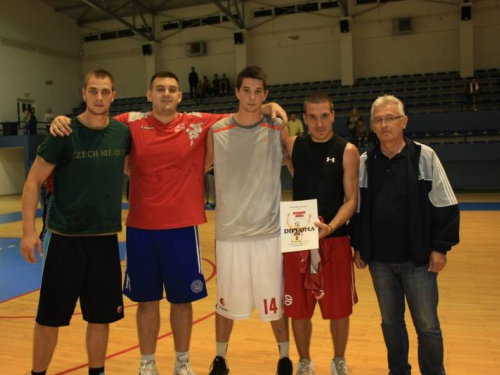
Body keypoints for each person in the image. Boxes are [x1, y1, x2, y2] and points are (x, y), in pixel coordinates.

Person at [50, 71, 287, 375]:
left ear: (180, 96)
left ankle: (182, 362)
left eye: (172, 89)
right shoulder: (130, 122)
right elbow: (93, 120)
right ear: (149, 95)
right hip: (141, 229)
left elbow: (241, 111)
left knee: (182, 301)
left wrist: (267, 106)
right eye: (159, 89)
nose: (166, 94)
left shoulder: (197, 121)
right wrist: (62, 119)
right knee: (146, 302)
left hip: (182, 229)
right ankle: (147, 363)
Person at [20, 68, 130, 375]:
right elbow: (32, 182)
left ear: (113, 96)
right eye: (93, 91)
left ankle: (97, 372)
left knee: (100, 318)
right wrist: (28, 232)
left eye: (104, 91)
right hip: (65, 239)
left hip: (105, 240)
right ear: (83, 93)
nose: (98, 97)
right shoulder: (64, 132)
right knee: (48, 318)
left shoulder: (121, 134)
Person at [349, 94, 460, 375]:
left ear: (404, 122)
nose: (384, 125)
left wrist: (440, 247)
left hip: (418, 260)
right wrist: (359, 247)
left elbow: (445, 203)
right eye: (378, 120)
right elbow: (358, 210)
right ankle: (399, 371)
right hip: (381, 263)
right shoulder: (364, 163)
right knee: (390, 324)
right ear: (372, 126)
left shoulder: (425, 156)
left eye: (390, 118)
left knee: (428, 326)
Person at [205, 66, 293, 375]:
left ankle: (283, 357)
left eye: (258, 92)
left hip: (269, 234)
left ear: (265, 95)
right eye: (247, 91)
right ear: (237, 93)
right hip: (230, 234)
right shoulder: (217, 131)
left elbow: (297, 166)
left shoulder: (276, 128)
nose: (252, 97)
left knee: (276, 301)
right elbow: (195, 170)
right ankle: (220, 358)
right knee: (225, 301)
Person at [283, 93, 359, 375]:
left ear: (333, 115)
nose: (318, 123)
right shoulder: (294, 145)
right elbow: (275, 126)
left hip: (335, 239)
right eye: (312, 117)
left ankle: (339, 360)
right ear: (304, 119)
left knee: (339, 309)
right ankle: (304, 362)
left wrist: (332, 226)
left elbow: (351, 199)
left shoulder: (347, 150)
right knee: (299, 309)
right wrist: (272, 107)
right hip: (297, 239)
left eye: (324, 116)